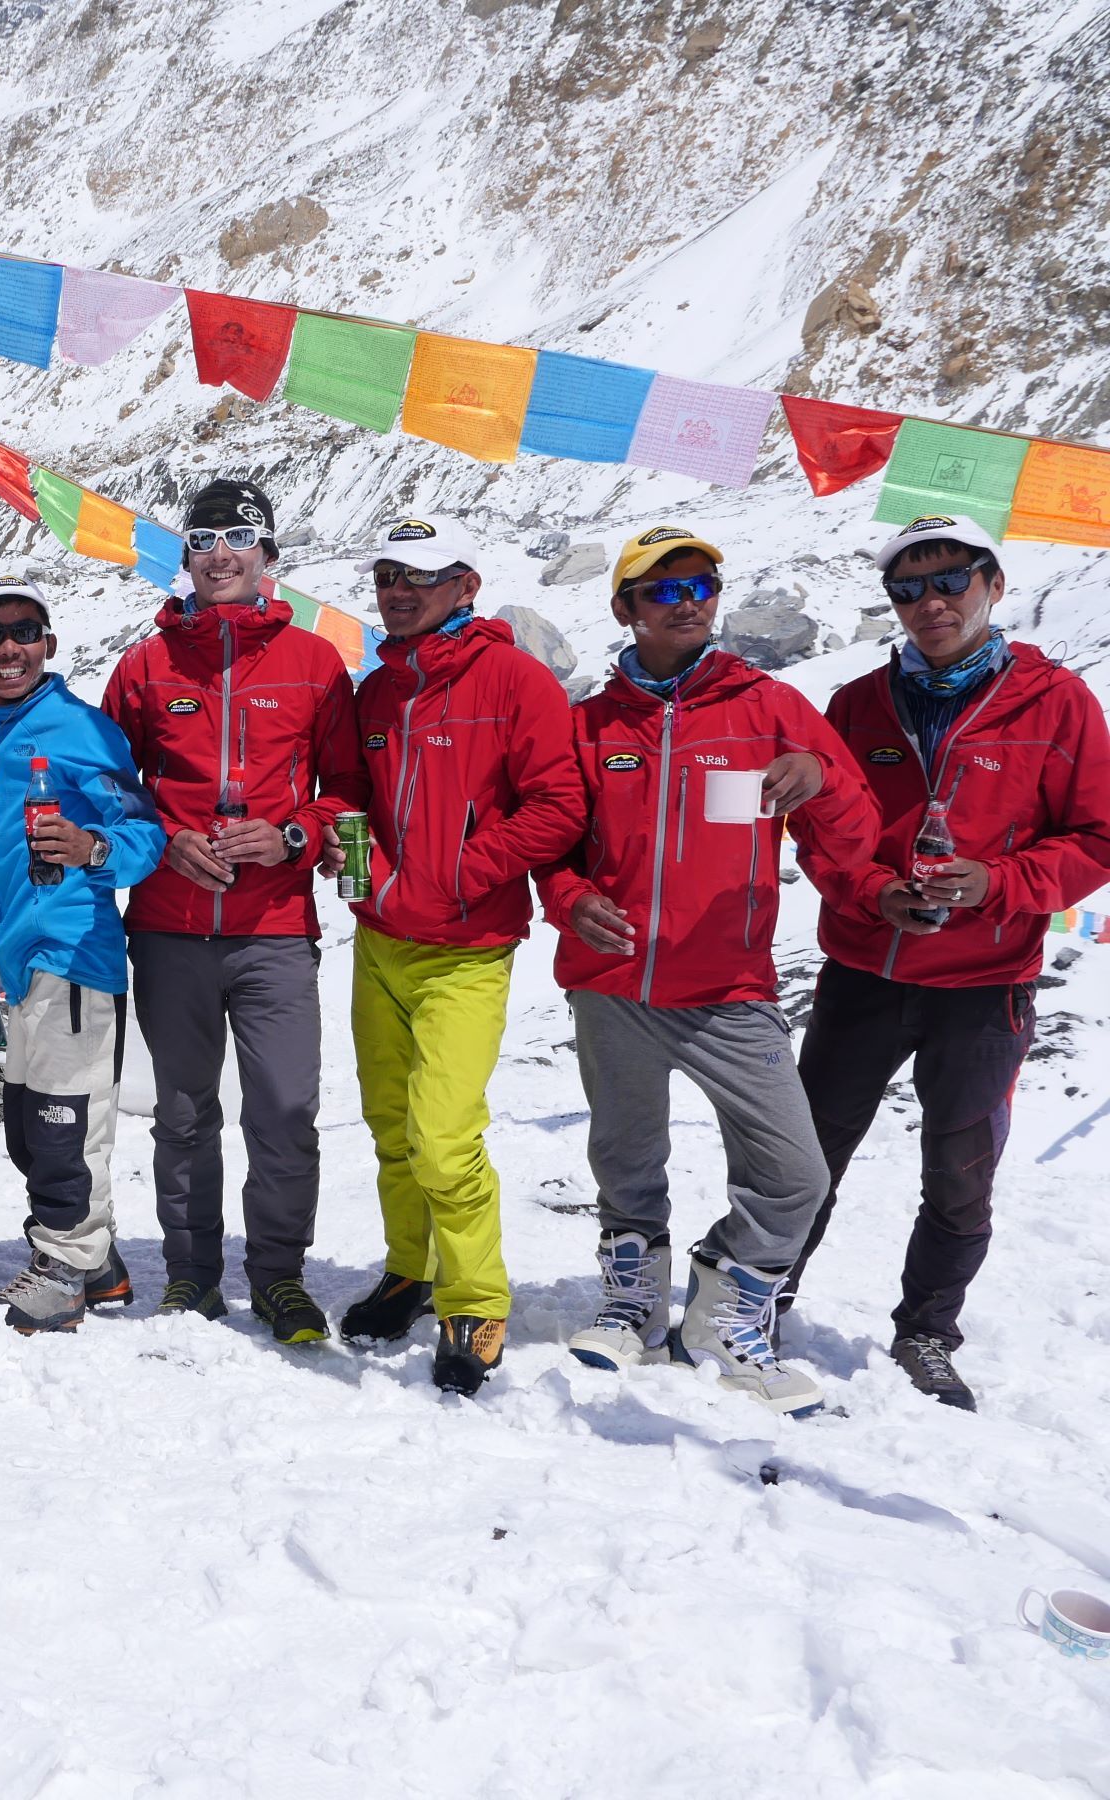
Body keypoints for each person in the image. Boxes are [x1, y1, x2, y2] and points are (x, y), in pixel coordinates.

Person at [538, 527, 878, 1418]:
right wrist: (570, 901)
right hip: (614, 986)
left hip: (729, 989)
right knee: (625, 1155)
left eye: (701, 586)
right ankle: (632, 1304)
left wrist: (823, 776)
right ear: (626, 611)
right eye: (664, 591)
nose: (687, 602)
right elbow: (556, 850)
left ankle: (724, 1309)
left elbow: (852, 838)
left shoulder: (771, 707)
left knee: (795, 1173)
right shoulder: (589, 725)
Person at [787, 516, 1110, 1411]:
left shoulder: (1057, 703)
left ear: (993, 585)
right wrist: (868, 891)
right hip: (863, 969)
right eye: (907, 588)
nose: (930, 603)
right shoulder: (855, 705)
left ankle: (927, 1333)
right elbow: (816, 829)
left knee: (960, 1172)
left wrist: (999, 883)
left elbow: (1097, 837)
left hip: (986, 983)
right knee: (809, 1155)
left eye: (950, 581)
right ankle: (763, 1299)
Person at [103, 478, 369, 1340]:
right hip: (171, 929)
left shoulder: (317, 662)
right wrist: (162, 840)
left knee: (286, 1111)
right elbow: (109, 789)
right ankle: (191, 1274)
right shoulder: (147, 665)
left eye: (240, 535)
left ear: (269, 557)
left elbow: (349, 794)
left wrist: (292, 837)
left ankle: (281, 1276)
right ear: (185, 558)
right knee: (182, 1114)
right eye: (203, 537)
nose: (221, 551)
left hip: (275, 933)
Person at [342, 515, 585, 1395]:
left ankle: (475, 1296)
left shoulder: (515, 680)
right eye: (385, 575)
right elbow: (357, 803)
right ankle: (409, 1268)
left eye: (419, 575)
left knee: (444, 1137)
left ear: (466, 582)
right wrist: (358, 867)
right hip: (379, 940)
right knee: (391, 1129)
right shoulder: (379, 690)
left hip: (467, 948)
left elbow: (558, 806)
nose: (397, 591)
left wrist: (454, 876)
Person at [0, 577, 166, 1334]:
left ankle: (69, 1264)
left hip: (74, 953)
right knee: (27, 1120)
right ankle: (100, 1265)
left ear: (49, 643)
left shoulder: (80, 728)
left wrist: (93, 847)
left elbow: (145, 835)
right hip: (21, 964)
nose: (8, 648)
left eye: (24, 631)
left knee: (63, 1120)